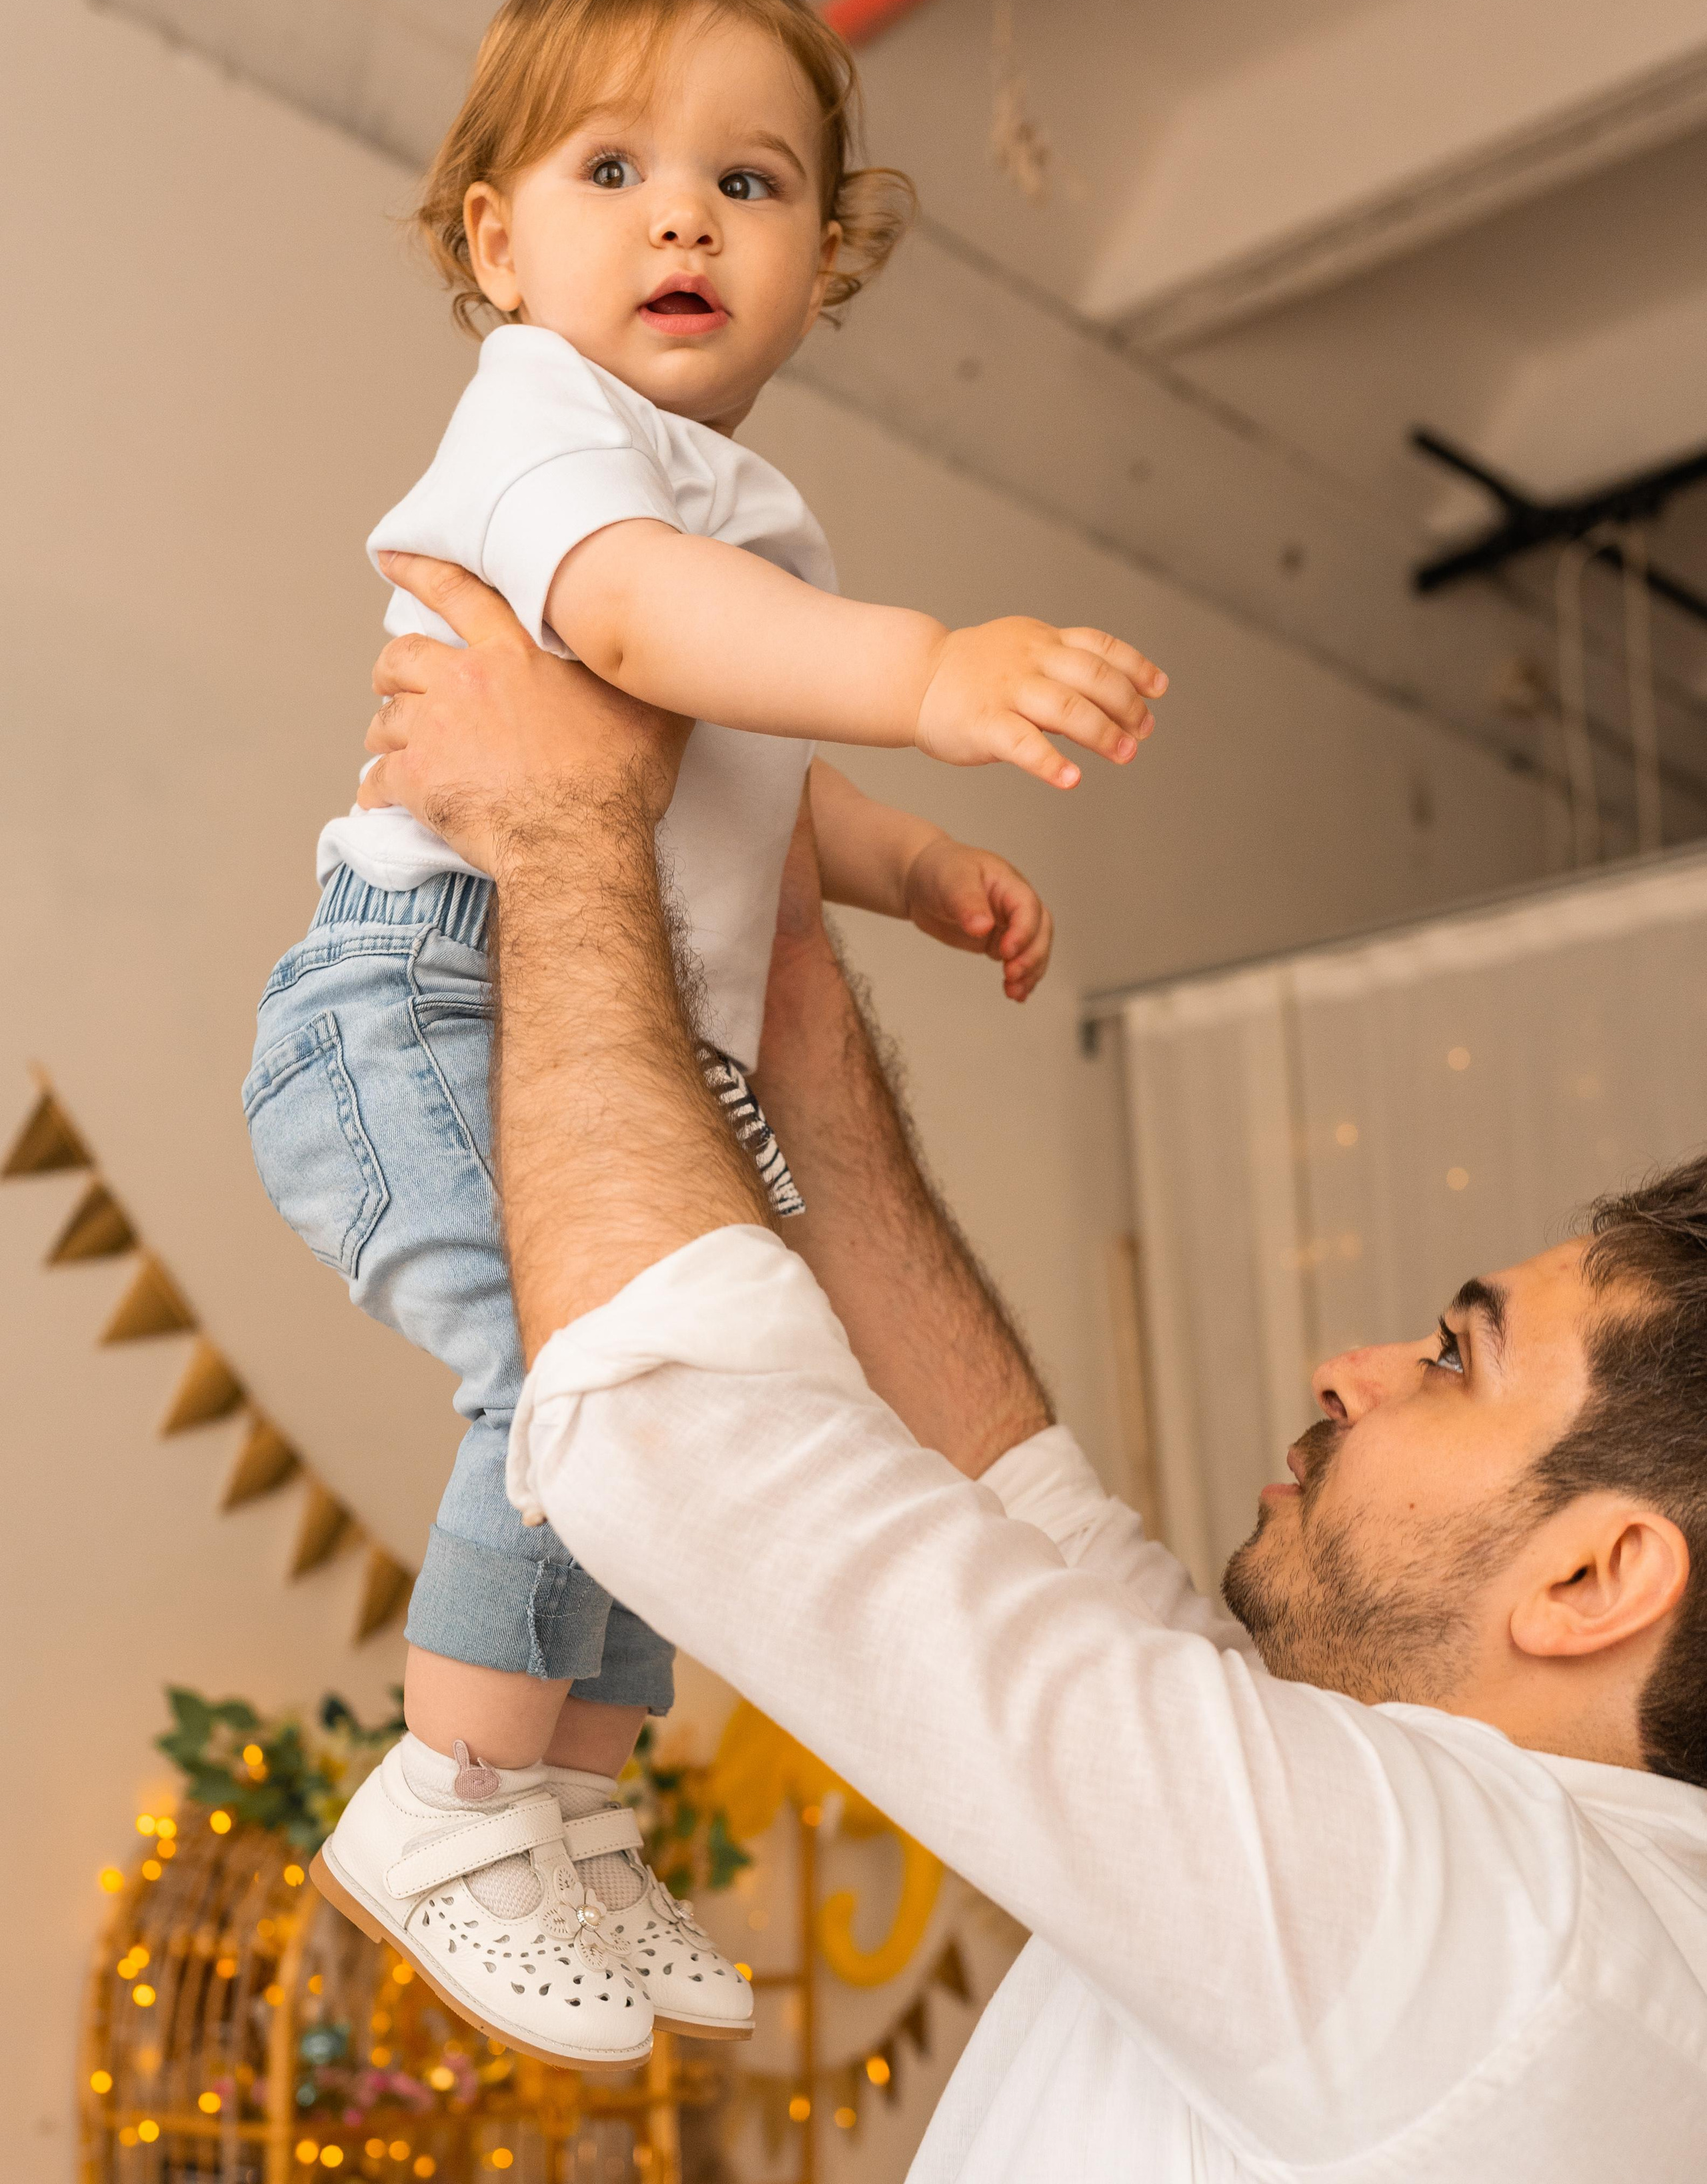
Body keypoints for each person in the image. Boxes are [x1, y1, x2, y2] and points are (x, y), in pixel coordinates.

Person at [333, 553, 1707, 2175]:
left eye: (1453, 1359)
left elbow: (681, 1447)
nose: (1352, 1369)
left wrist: (563, 831)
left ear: (1596, 1575)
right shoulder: (1562, 1894)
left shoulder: (1497, 1923)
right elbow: (1007, 1490)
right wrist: (789, 987)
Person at [247, 0, 1164, 2068]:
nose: (683, 225)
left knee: (708, 1421)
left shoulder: (723, 511)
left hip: (597, 1053)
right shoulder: (547, 426)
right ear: (495, 243)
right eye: (613, 171)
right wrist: (927, 667)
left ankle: (569, 1796)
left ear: (819, 263)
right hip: (426, 1016)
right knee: (604, 1394)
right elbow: (645, 627)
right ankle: (452, 1797)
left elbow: (740, 757)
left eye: (747, 185)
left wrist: (913, 863)